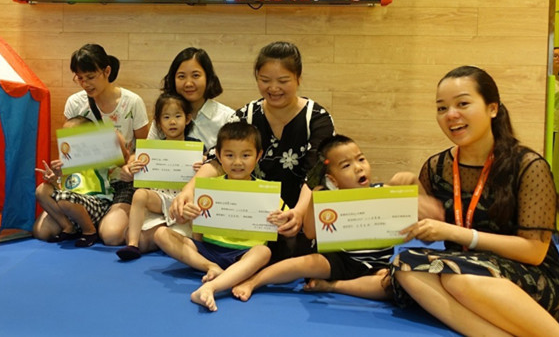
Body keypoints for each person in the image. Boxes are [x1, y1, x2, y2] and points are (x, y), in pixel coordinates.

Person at [390, 66, 559, 336]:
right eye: (442, 108)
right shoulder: (436, 166)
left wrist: (455, 233)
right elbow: (431, 229)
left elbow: (534, 252)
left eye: (463, 104)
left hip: (530, 277)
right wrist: (409, 197)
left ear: (492, 108)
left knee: (459, 278)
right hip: (465, 265)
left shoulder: (528, 165)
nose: (451, 114)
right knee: (404, 266)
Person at [171, 41, 335, 262]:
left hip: (298, 216)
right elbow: (216, 159)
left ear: (298, 78)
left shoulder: (316, 118)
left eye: (283, 81)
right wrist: (188, 191)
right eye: (265, 80)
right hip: (247, 221)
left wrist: (297, 212)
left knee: (299, 261)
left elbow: (315, 174)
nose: (273, 88)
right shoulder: (246, 115)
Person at [232, 135, 415, 301]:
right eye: (346, 165)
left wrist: (411, 181)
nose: (359, 167)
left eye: (361, 159)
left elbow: (414, 212)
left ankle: (333, 286)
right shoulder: (329, 199)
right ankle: (253, 281)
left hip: (378, 265)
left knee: (391, 284)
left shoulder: (383, 191)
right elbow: (310, 233)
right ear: (332, 180)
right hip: (340, 259)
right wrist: (315, 196)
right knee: (304, 263)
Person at [153, 122, 281, 312]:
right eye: (229, 155)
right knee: (161, 234)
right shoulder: (207, 187)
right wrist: (185, 215)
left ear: (258, 155)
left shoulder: (267, 191)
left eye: (246, 155)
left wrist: (282, 220)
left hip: (243, 254)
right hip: (209, 250)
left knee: (263, 252)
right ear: (219, 156)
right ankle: (211, 267)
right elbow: (187, 223)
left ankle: (211, 287)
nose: (237, 162)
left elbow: (286, 221)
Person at [64, 43, 150, 245]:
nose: (85, 84)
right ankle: (95, 219)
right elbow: (69, 150)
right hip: (87, 182)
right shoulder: (75, 103)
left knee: (111, 236)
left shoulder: (133, 102)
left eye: (90, 77)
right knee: (43, 231)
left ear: (107, 71)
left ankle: (108, 219)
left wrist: (131, 164)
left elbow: (143, 148)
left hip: (122, 181)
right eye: (80, 78)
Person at [116, 93, 204, 260]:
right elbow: (139, 176)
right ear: (158, 122)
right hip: (160, 198)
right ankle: (132, 245)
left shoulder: (197, 147)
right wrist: (134, 171)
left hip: (183, 203)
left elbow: (208, 175)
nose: (172, 122)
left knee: (184, 233)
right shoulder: (151, 149)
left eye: (178, 116)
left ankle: (184, 244)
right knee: (140, 194)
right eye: (166, 117)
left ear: (187, 119)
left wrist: (202, 167)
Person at [32, 116, 118, 248]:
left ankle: (90, 231)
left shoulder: (99, 157)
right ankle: (68, 227)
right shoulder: (64, 159)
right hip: (68, 206)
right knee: (41, 192)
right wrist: (54, 179)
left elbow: (118, 156)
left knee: (65, 199)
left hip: (95, 204)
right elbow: (60, 188)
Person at [148, 47, 234, 149]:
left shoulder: (228, 118)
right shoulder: (164, 115)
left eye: (195, 75)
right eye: (181, 76)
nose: (188, 83)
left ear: (208, 78)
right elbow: (149, 153)